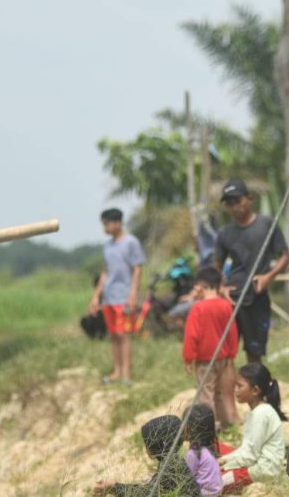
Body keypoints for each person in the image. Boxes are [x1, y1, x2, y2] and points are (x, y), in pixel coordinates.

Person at [213, 178, 289, 364]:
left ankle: (255, 390)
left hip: (256, 296)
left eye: (238, 201)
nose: (235, 207)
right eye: (230, 204)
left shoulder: (266, 224)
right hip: (231, 298)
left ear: (249, 199)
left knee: (254, 354)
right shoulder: (224, 233)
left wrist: (268, 277)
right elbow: (215, 266)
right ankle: (227, 392)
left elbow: (285, 256)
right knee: (225, 354)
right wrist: (221, 287)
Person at [89, 208, 145, 384]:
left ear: (118, 223)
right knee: (113, 334)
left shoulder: (131, 242)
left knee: (123, 334)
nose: (105, 227)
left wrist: (133, 294)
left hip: (124, 296)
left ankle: (126, 373)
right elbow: (105, 272)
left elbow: (137, 270)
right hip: (109, 297)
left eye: (107, 223)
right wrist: (96, 296)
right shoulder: (108, 246)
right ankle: (117, 371)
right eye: (103, 224)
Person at [183, 267, 240, 428]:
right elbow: (232, 332)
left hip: (204, 361)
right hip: (223, 358)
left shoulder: (198, 308)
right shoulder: (225, 305)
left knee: (205, 393)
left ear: (201, 287)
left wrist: (188, 358)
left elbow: (191, 336)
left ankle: (209, 427)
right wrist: (231, 354)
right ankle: (226, 421)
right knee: (220, 391)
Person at [218, 363, 287, 493]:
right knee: (219, 447)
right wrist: (223, 461)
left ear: (255, 390)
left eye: (240, 386)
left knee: (215, 482)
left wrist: (223, 464)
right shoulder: (256, 411)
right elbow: (247, 449)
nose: (235, 390)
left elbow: (250, 456)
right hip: (255, 461)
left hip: (262, 469)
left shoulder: (261, 414)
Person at [93, 415, 201, 496]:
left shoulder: (172, 466)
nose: (146, 448)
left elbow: (146, 494)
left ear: (158, 444)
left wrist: (115, 487)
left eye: (148, 443)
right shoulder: (172, 461)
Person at [183, 405, 224, 497]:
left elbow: (185, 477)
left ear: (189, 428)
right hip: (217, 492)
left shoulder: (194, 454)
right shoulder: (208, 448)